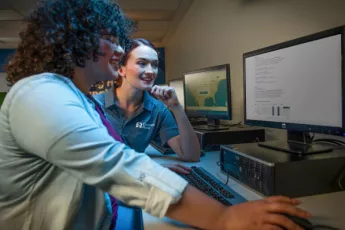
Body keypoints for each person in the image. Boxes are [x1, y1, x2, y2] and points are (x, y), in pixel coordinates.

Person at [0, 0, 311, 229]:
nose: (118, 49)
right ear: (74, 40)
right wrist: (224, 217)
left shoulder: (81, 101)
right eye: (109, 38)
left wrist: (157, 154)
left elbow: (99, 161)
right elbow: (112, 162)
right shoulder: (40, 92)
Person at [94, 38, 200, 166]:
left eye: (154, 65)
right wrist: (149, 168)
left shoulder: (158, 110)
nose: (151, 71)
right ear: (121, 70)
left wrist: (177, 108)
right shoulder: (94, 104)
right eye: (142, 63)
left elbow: (191, 156)